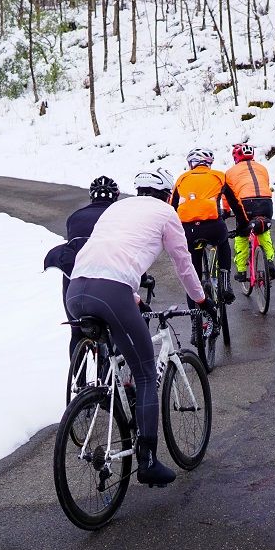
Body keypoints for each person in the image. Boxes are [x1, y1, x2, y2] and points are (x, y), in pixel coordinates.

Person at [66, 168, 210, 487]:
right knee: (145, 373)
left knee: (125, 354)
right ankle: (148, 461)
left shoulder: (117, 208)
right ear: (168, 195)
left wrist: (132, 298)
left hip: (76, 290)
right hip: (111, 291)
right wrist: (201, 300)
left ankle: (121, 398)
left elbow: (108, 256)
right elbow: (183, 264)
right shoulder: (166, 213)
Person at [43, 176, 120, 357]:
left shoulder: (74, 217)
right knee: (117, 328)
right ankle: (111, 369)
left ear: (92, 196)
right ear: (116, 197)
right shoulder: (119, 216)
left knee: (77, 333)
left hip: (73, 282)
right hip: (106, 280)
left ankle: (77, 373)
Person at [172, 148, 248, 304]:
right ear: (209, 164)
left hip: (189, 230)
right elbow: (236, 203)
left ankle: (195, 312)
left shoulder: (181, 178)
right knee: (223, 242)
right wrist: (243, 224)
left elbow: (171, 207)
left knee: (194, 272)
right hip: (213, 228)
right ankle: (225, 283)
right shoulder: (219, 176)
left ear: (191, 164)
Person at [225, 142, 275, 283]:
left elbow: (227, 195)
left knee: (242, 235)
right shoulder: (262, 168)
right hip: (266, 202)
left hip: (246, 203)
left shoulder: (230, 172)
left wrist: (226, 211)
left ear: (236, 157)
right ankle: (269, 261)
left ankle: (241, 271)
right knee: (264, 230)